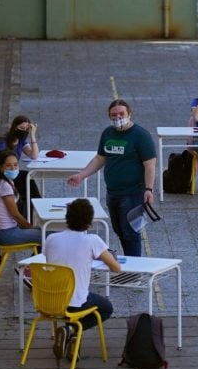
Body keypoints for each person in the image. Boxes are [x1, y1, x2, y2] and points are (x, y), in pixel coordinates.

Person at [67, 99, 156, 257]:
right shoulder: (107, 133)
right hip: (112, 192)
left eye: (121, 114)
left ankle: (134, 271)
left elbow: (150, 164)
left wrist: (149, 189)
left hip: (133, 193)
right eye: (114, 115)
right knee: (120, 231)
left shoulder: (141, 135)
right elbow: (100, 159)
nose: (118, 117)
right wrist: (81, 175)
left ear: (130, 114)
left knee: (131, 233)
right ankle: (129, 264)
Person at [43, 198, 121, 361]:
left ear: (67, 218)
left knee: (83, 296)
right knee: (106, 307)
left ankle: (71, 338)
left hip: (49, 301)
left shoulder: (51, 239)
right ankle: (71, 330)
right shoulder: (92, 240)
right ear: (89, 222)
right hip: (73, 303)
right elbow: (115, 267)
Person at [0, 150, 41, 246]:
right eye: (8, 165)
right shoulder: (4, 186)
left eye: (15, 165)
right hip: (8, 234)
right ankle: (36, 259)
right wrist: (29, 227)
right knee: (49, 235)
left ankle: (36, 258)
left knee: (44, 232)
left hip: (5, 231)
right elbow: (15, 215)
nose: (13, 168)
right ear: (1, 168)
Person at [0, 115, 41, 211]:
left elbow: (34, 155)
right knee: (25, 184)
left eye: (26, 129)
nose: (24, 131)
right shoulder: (2, 142)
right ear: (14, 127)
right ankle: (29, 209)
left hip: (11, 171)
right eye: (21, 128)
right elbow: (1, 162)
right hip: (0, 174)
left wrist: (32, 135)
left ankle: (37, 205)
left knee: (29, 178)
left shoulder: (20, 141)